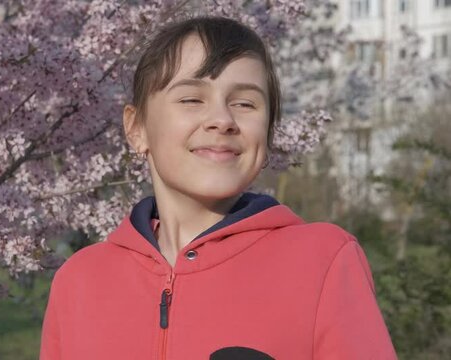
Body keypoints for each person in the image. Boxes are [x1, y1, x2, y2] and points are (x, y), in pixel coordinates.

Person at [40, 16, 397, 359]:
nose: (222, 120)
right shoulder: (80, 280)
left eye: (245, 104)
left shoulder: (324, 262)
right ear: (137, 129)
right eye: (191, 99)